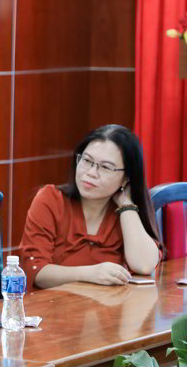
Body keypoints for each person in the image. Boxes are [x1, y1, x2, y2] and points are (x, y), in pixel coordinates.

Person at [19, 124, 162, 289]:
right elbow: (36, 272)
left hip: (111, 304)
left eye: (106, 167)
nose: (91, 173)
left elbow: (144, 265)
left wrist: (126, 204)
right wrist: (89, 274)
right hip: (55, 304)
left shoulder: (125, 215)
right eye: (87, 160)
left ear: (126, 178)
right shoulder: (50, 199)